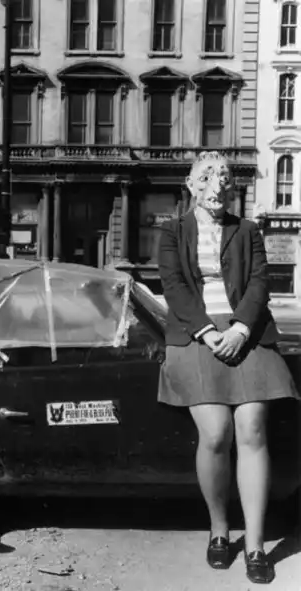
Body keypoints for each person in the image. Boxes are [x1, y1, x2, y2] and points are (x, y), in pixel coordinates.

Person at [157, 151, 300, 585]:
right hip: (195, 336)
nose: (217, 183)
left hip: (247, 332)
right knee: (216, 433)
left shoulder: (248, 230)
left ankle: (255, 544)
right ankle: (219, 530)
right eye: (207, 176)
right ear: (191, 184)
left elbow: (259, 282)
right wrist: (207, 331)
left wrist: (240, 328)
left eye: (224, 176)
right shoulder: (172, 232)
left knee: (252, 427)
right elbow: (174, 287)